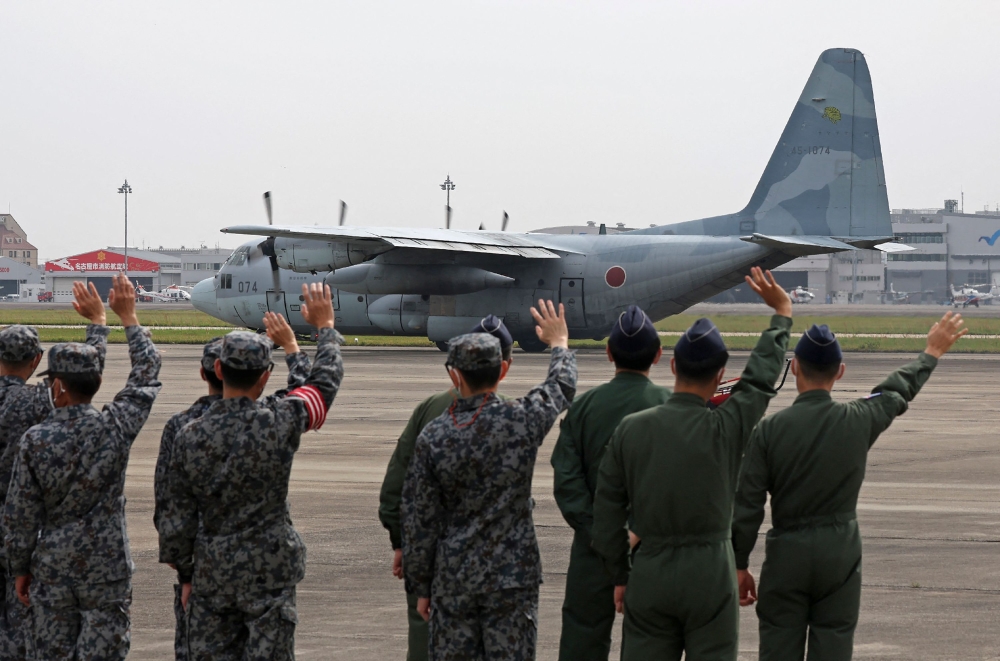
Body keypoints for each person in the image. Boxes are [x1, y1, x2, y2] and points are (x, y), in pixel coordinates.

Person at [731, 313, 967, 661]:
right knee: (835, 641)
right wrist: (930, 352)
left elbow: (747, 504)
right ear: (840, 371)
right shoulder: (859, 418)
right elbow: (894, 392)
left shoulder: (768, 431)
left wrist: (737, 563)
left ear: (794, 368)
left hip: (787, 553)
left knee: (779, 644)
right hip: (839, 552)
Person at [591, 267, 791, 661]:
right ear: (720, 376)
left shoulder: (632, 430)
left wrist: (619, 573)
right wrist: (781, 313)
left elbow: (606, 513)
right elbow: (759, 380)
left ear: (672, 367)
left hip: (649, 570)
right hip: (710, 572)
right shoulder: (728, 426)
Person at [158, 283, 343, 660]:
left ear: (219, 369)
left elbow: (174, 519)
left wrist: (187, 575)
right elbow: (321, 387)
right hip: (269, 570)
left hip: (213, 572)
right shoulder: (280, 420)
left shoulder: (187, 434)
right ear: (264, 378)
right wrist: (322, 329)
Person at [401, 300, 576, 661]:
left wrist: (421, 585)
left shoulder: (434, 437)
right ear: (503, 371)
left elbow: (420, 519)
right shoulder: (520, 420)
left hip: (454, 578)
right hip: (511, 578)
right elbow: (560, 386)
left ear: (455, 375)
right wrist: (559, 343)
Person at [3, 273, 162, 661]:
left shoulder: (36, 440)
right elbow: (145, 373)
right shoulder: (113, 427)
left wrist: (20, 565)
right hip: (104, 563)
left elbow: (20, 514)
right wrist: (117, 321)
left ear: (54, 382)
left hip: (51, 563)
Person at [378, 314, 515, 661]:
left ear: (457, 365)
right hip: (499, 563)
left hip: (433, 555)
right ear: (504, 367)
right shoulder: (516, 417)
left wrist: (401, 542)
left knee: (425, 635)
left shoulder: (430, 409)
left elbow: (397, 484)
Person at [550, 304, 671, 661]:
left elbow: (567, 483)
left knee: (582, 638)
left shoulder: (584, 408)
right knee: (650, 641)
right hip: (653, 548)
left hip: (593, 549)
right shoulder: (671, 407)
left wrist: (601, 534)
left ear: (608, 354)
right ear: (659, 355)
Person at [0, 281, 111, 659]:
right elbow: (83, 373)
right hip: (22, 527)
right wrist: (98, 322)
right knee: (20, 623)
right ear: (35, 362)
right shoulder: (37, 403)